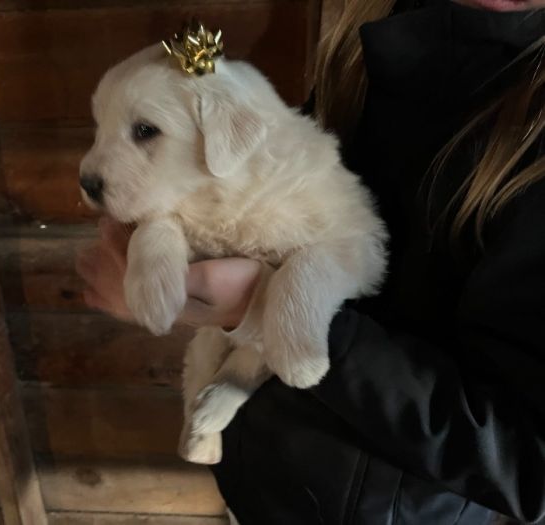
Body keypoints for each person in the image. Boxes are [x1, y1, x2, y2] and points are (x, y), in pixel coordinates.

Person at [77, 0, 545, 522]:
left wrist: (260, 306)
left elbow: (529, 468)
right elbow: (274, 197)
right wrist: (163, 263)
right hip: (259, 469)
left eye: (143, 132)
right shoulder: (382, 30)